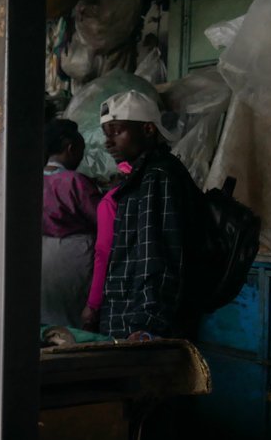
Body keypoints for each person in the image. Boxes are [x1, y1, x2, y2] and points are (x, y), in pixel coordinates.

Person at [100, 90, 204, 339]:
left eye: (117, 132)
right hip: (130, 319)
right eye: (106, 134)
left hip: (139, 328)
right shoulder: (146, 174)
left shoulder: (156, 176)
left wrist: (146, 325)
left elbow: (156, 255)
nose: (108, 142)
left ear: (148, 130)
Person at [40, 119, 102, 328]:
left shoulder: (30, 180)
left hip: (40, 259)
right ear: (71, 148)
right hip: (75, 261)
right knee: (74, 326)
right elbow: (102, 221)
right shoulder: (75, 182)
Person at [82, 161, 134, 332]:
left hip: (122, 295)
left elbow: (103, 253)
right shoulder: (153, 194)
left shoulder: (111, 201)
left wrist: (93, 304)